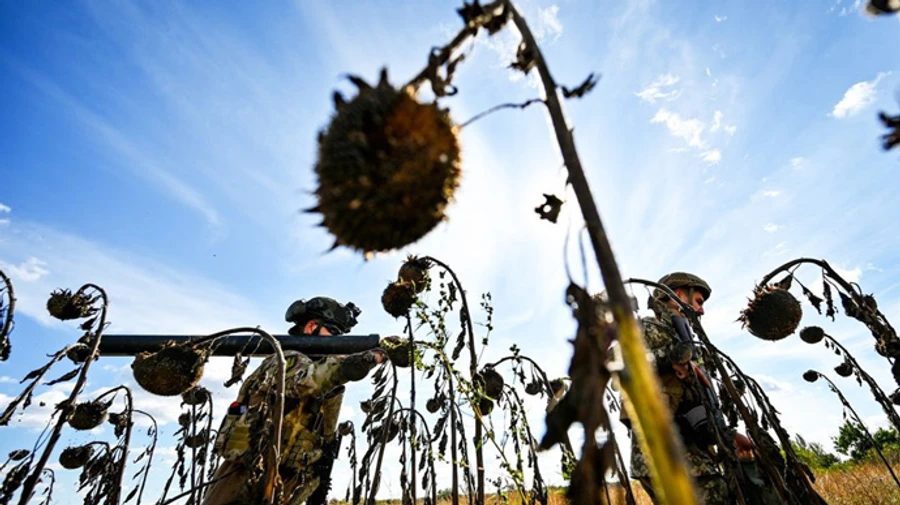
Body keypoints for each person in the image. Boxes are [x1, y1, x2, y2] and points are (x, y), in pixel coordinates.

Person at [202, 297, 386, 505]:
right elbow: (307, 382)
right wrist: (369, 358)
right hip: (247, 470)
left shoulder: (325, 376)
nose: (338, 342)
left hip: (287, 477)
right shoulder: (287, 359)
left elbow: (324, 433)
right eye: (333, 332)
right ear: (311, 327)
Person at [621, 272, 753, 505]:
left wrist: (728, 435)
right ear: (677, 295)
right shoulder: (646, 327)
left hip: (690, 450)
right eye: (698, 302)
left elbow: (698, 403)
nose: (701, 311)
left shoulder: (688, 341)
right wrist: (671, 358)